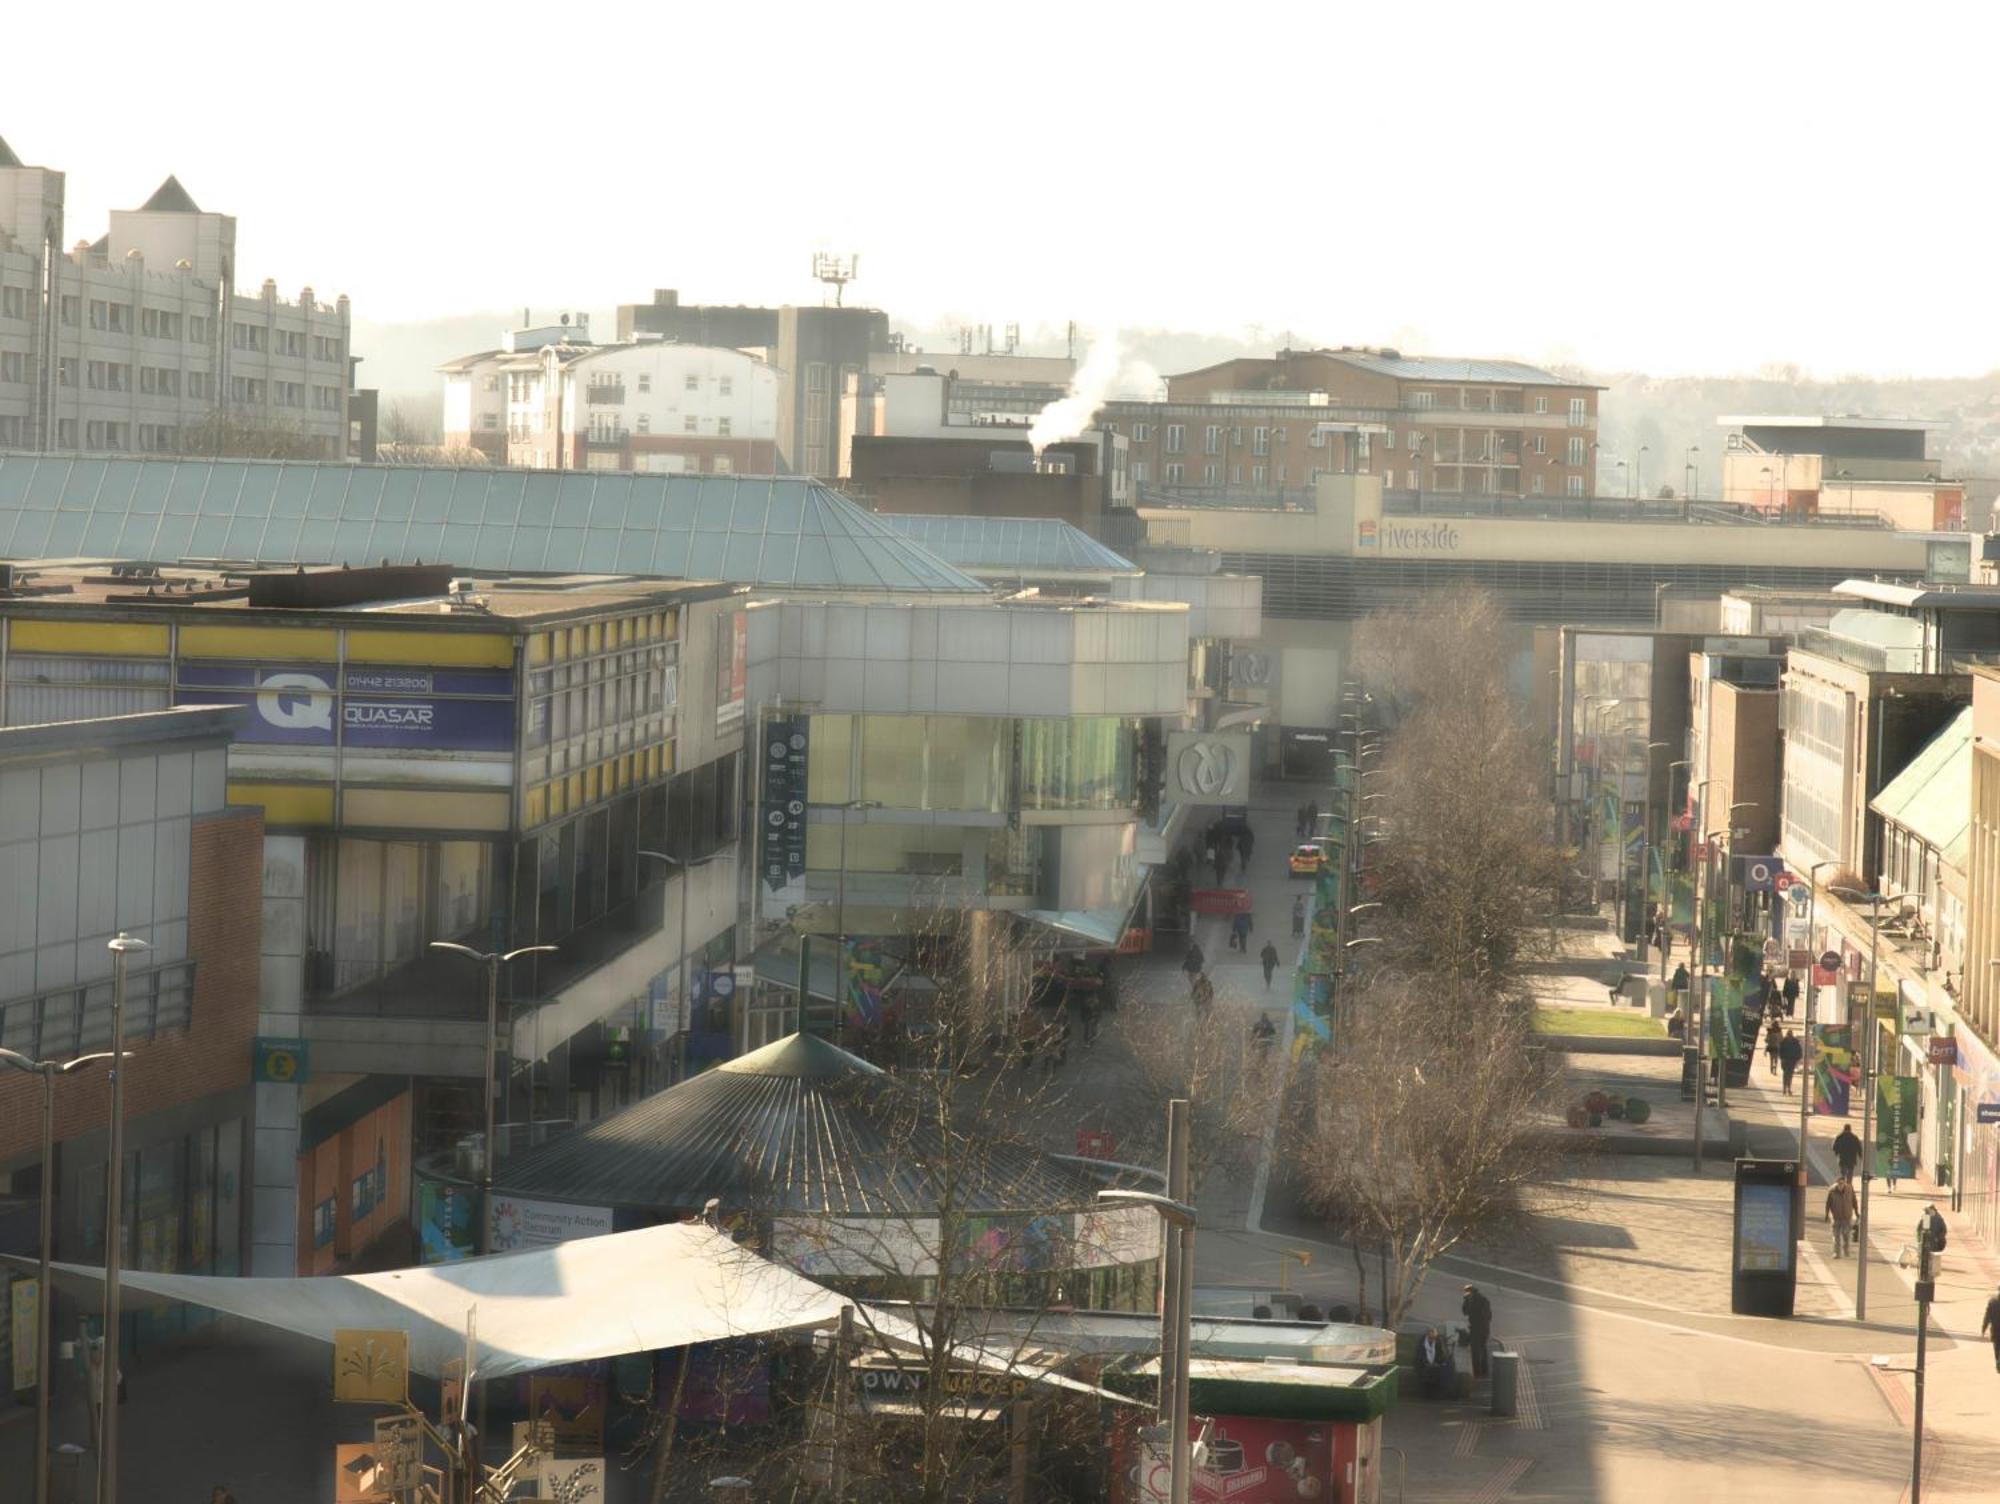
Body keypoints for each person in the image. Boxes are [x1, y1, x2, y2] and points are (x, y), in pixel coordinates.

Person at [1461, 1285, 1493, 1379]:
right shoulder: (1470, 1300)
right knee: (1480, 1349)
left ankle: (1479, 1372)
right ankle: (1482, 1371)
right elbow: (1465, 1312)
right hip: (1479, 1329)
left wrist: (1477, 1324)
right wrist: (1466, 1301)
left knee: (1478, 1350)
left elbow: (1486, 1316)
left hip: (1480, 1329)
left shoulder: (1482, 1300)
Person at [1825, 1174, 1858, 1258]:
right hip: (1836, 1217)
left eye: (1842, 1183)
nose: (1840, 1185)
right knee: (1836, 1237)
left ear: (1844, 1183)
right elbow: (1828, 1203)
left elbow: (1854, 1201)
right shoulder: (1832, 1191)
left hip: (1847, 1217)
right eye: (1839, 1183)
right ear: (1836, 1183)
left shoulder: (1849, 1189)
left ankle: (1846, 1251)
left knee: (1846, 1236)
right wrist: (1826, 1215)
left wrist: (1856, 1212)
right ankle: (1836, 1253)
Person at [1982, 1285, 2000, 1373]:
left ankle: (1998, 1363)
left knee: (1996, 1348)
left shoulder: (1992, 1301)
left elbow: (1987, 1316)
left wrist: (1983, 1328)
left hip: (1995, 1330)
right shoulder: (1992, 1301)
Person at [1778, 1030, 1803, 1095]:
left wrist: (1797, 1058)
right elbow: (1780, 1051)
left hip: (1790, 1060)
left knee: (1787, 1075)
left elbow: (1799, 1051)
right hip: (1787, 1060)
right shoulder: (1786, 1041)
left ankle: (1787, 1088)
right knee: (1787, 1075)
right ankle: (1786, 1088)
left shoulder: (1787, 1041)